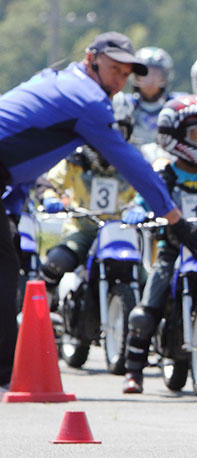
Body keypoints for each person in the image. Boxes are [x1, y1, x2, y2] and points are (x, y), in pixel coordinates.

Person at [0, 31, 197, 389]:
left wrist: (10, 207)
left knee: (5, 267)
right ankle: (7, 371)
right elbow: (130, 162)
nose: (120, 80)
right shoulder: (86, 100)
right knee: (4, 270)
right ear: (90, 59)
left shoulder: (61, 84)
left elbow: (25, 155)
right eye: (114, 69)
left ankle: (7, 369)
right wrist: (175, 219)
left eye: (125, 73)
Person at [122, 95, 197, 393]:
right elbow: (142, 199)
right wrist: (137, 210)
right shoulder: (165, 176)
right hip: (172, 250)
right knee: (147, 307)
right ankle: (133, 371)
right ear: (176, 138)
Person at [37, 93, 141, 304]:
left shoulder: (134, 161)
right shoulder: (76, 159)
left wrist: (138, 207)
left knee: (144, 277)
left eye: (117, 132)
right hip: (83, 228)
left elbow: (148, 190)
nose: (108, 138)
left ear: (128, 131)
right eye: (102, 131)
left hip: (121, 230)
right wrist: (49, 198)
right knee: (57, 261)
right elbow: (49, 182)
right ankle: (42, 308)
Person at [127, 46, 182, 147]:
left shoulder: (178, 105)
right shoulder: (125, 104)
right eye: (145, 73)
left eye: (156, 73)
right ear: (135, 76)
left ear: (165, 76)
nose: (150, 79)